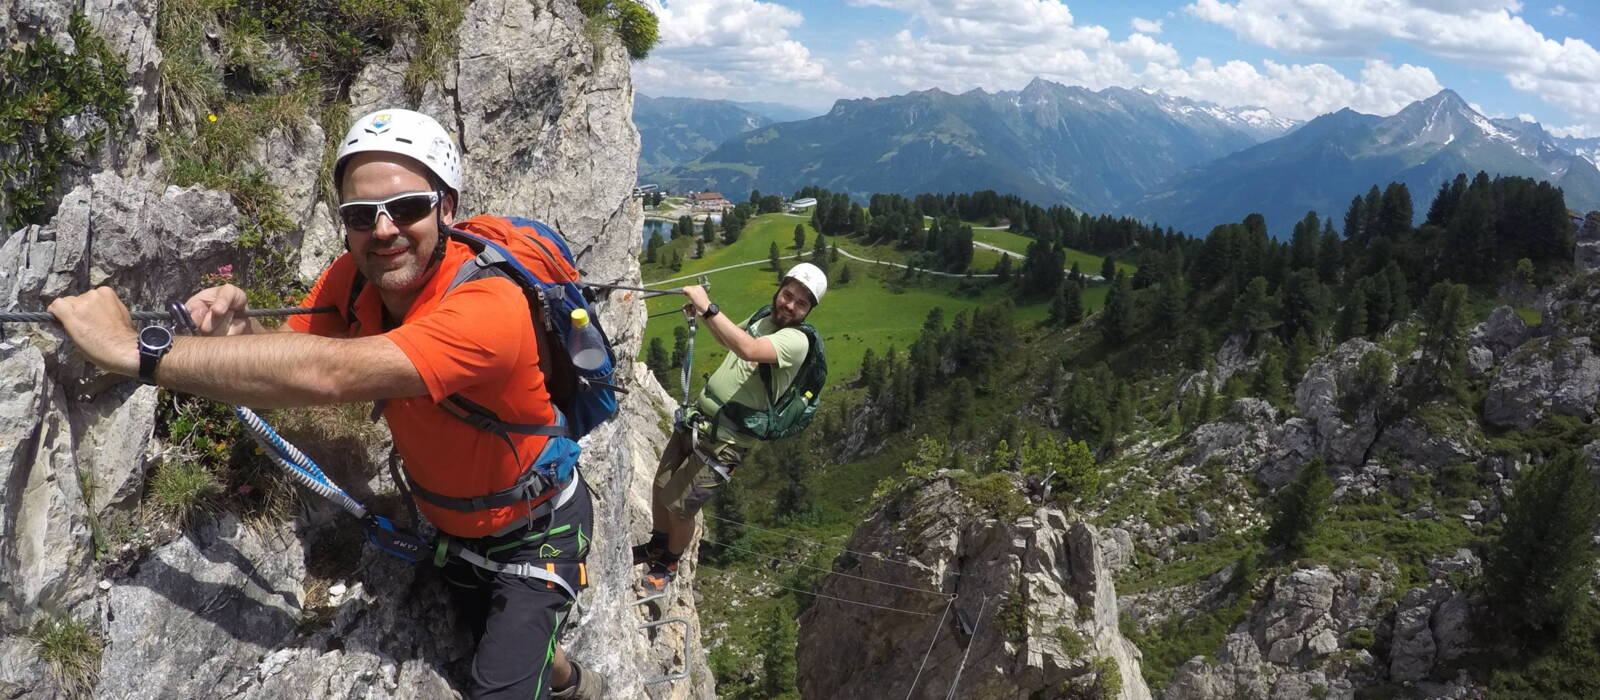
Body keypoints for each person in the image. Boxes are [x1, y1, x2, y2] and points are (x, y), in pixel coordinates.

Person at [47, 108, 604, 700]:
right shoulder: (357, 278)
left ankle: (574, 683)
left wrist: (132, 351)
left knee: (501, 687)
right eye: (360, 216)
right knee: (488, 639)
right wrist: (240, 339)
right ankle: (560, 670)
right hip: (449, 528)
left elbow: (332, 374)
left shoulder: (488, 309)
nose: (384, 230)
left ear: (447, 207)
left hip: (537, 534)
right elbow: (290, 359)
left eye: (409, 207)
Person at [636, 262, 827, 591]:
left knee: (682, 508)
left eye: (801, 303)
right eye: (788, 295)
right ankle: (658, 543)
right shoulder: (763, 317)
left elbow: (748, 348)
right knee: (661, 485)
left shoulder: (796, 341)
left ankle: (669, 562)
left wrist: (708, 306)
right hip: (699, 421)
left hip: (726, 443)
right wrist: (702, 315)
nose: (789, 305)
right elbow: (730, 340)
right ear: (780, 289)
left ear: (808, 311)